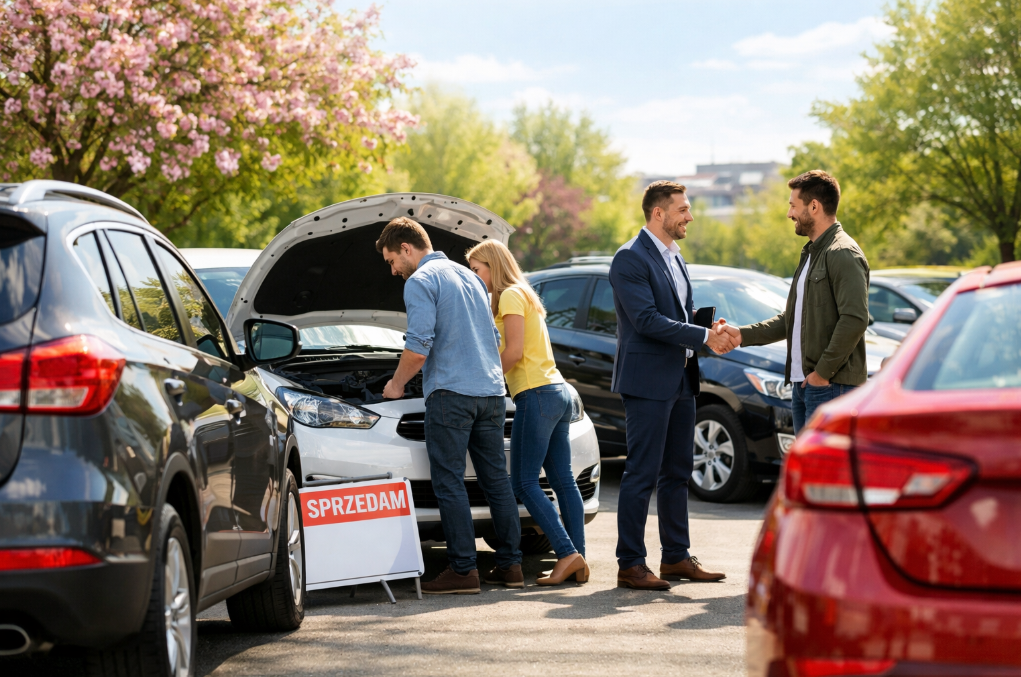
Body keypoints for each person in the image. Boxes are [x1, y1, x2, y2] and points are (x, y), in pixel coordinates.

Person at [376, 217, 522, 594]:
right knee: (496, 481)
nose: (393, 271)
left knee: (449, 481)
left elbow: (418, 346)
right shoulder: (470, 276)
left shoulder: (420, 281)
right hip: (491, 393)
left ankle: (463, 570)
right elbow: (491, 335)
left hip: (451, 395)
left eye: (392, 261)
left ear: (407, 248)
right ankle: (510, 566)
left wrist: (395, 385)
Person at [609, 181, 733, 591]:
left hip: (681, 378)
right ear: (658, 213)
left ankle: (676, 558)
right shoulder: (629, 258)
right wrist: (701, 338)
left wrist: (703, 324)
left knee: (678, 471)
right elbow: (645, 320)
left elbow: (674, 313)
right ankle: (630, 563)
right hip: (647, 381)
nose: (690, 216)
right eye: (683, 209)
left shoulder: (675, 257)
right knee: (642, 472)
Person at [466, 240, 589, 587]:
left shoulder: (508, 296)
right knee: (563, 481)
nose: (476, 277)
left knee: (523, 482)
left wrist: (486, 378)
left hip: (537, 394)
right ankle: (578, 560)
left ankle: (566, 554)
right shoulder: (524, 293)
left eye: (477, 269)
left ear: (492, 265)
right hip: (559, 391)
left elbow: (515, 352)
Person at [717, 170, 869, 433]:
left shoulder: (842, 253)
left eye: (792, 206)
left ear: (814, 206)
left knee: (826, 472)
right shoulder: (811, 253)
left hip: (831, 387)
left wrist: (821, 374)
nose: (789, 214)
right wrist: (741, 335)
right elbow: (792, 320)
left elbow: (854, 320)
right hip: (805, 387)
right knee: (809, 471)